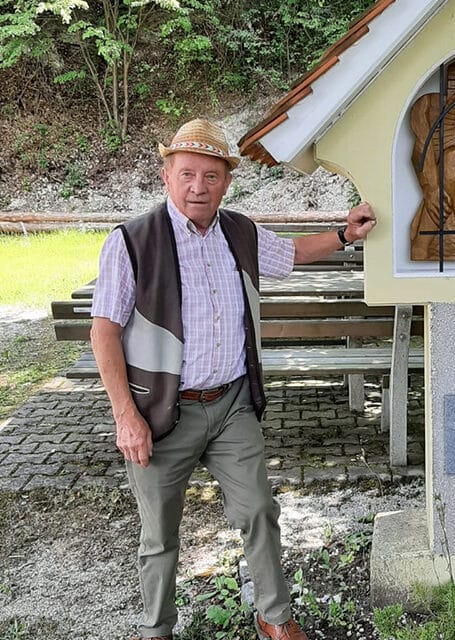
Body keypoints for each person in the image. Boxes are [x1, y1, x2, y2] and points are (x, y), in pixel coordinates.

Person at [90, 118, 377, 640]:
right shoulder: (131, 242)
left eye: (211, 176)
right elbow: (104, 332)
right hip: (159, 414)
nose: (198, 186)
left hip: (231, 406)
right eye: (187, 174)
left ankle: (274, 617)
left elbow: (290, 254)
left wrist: (343, 233)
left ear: (227, 181)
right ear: (166, 176)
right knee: (159, 535)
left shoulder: (238, 231)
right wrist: (125, 416)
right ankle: (158, 630)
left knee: (260, 510)